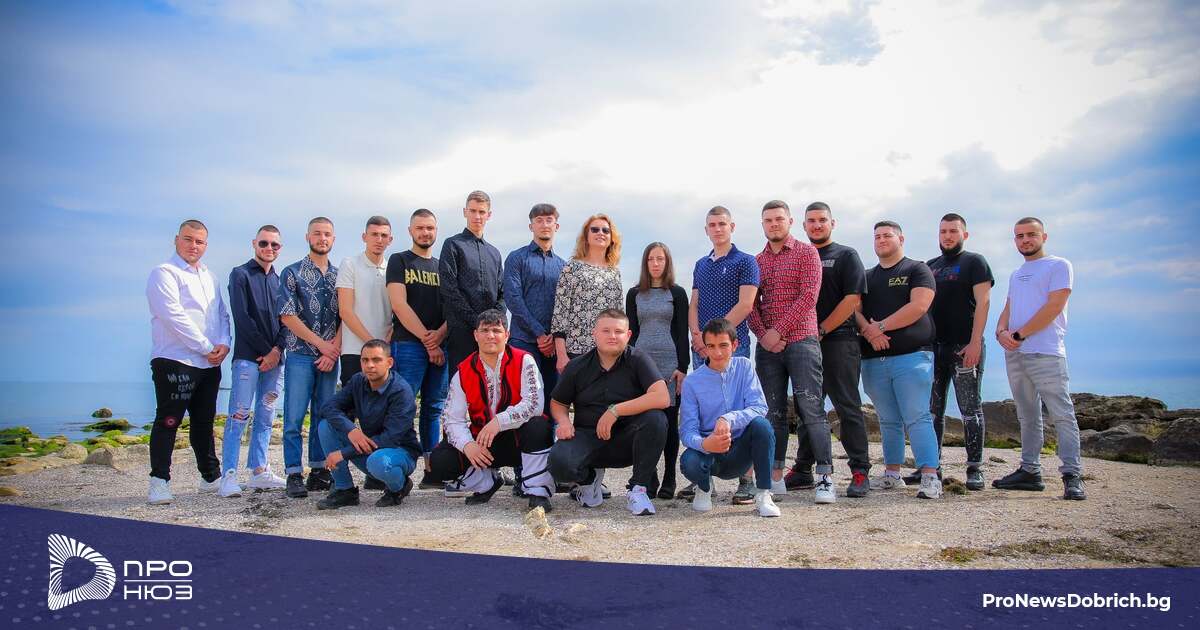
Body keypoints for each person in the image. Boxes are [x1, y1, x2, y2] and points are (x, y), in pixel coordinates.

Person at [747, 200, 835, 504]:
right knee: (772, 413)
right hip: (767, 348)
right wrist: (764, 335)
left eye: (779, 219)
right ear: (762, 224)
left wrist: (779, 331)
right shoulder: (756, 262)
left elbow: (809, 296)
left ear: (790, 221)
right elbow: (750, 305)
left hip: (802, 341)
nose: (774, 224)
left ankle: (825, 477)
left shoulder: (807, 253)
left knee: (811, 408)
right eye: (768, 220)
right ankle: (775, 477)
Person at [993, 217, 1085, 500]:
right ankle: (1030, 471)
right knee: (1027, 414)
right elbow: (1009, 306)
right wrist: (1001, 330)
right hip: (1015, 353)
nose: (1025, 240)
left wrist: (1019, 334)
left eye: (1031, 235)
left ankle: (1072, 475)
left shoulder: (1059, 266)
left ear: (1044, 236)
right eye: (1019, 236)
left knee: (1062, 414)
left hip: (1045, 352)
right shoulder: (1017, 273)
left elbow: (1054, 306)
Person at [428, 310, 556, 512]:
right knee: (440, 461)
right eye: (485, 330)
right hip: (484, 443)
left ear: (507, 335)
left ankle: (537, 491)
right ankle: (486, 482)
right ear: (475, 335)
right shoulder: (463, 371)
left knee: (538, 426)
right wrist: (468, 445)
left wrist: (499, 421)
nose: (490, 336)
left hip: (519, 439)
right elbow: (452, 419)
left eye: (496, 330)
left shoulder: (524, 360)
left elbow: (534, 404)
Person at [548, 309, 670, 516]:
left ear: (628, 335)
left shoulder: (639, 359)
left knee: (656, 419)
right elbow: (558, 402)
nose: (612, 336)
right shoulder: (577, 366)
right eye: (606, 331)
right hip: (588, 437)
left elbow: (662, 397)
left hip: (627, 441)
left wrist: (615, 411)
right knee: (559, 464)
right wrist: (564, 421)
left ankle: (638, 490)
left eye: (618, 331)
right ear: (594, 333)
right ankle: (588, 481)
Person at [787, 202, 872, 498]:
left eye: (822, 220)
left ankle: (860, 471)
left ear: (832, 223)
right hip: (804, 343)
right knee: (807, 407)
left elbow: (852, 300)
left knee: (847, 406)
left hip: (839, 341)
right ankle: (803, 469)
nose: (817, 225)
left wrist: (821, 329)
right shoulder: (798, 255)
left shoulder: (846, 255)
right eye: (811, 221)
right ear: (803, 225)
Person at [144, 219, 231, 505]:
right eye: (188, 239)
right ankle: (159, 481)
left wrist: (224, 344)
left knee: (204, 422)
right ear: (176, 239)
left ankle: (210, 476)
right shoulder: (164, 273)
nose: (194, 245)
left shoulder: (210, 276)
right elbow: (173, 316)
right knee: (169, 420)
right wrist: (205, 346)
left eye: (199, 241)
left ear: (206, 245)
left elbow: (221, 314)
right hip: (175, 359)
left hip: (209, 363)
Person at [855, 221, 942, 499]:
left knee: (917, 416)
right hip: (873, 359)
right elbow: (854, 309)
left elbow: (919, 306)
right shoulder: (866, 276)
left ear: (901, 239)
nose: (881, 240)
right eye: (877, 236)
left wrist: (880, 327)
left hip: (912, 357)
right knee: (887, 420)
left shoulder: (917, 269)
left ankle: (930, 476)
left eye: (887, 235)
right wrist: (869, 332)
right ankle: (892, 474)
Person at [686, 206, 760, 504]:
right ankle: (704, 479)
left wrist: (715, 339)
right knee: (705, 410)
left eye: (722, 224)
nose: (717, 229)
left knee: (739, 408)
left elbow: (746, 304)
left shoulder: (746, 261)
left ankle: (747, 480)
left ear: (732, 227)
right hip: (700, 347)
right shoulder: (701, 264)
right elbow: (694, 303)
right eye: (712, 225)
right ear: (706, 230)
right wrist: (697, 335)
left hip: (732, 345)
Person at [917, 212, 994, 490]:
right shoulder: (930, 266)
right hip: (934, 347)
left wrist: (975, 342)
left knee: (970, 409)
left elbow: (983, 302)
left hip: (964, 346)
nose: (947, 236)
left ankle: (974, 468)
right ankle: (932, 466)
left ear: (964, 234)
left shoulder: (975, 262)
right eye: (943, 232)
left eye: (953, 231)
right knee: (932, 411)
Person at [679, 319, 779, 517]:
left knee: (762, 426)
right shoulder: (691, 382)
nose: (717, 353)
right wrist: (706, 443)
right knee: (688, 460)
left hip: (740, 451)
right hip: (709, 453)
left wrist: (728, 418)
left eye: (723, 345)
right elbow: (687, 431)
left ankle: (763, 494)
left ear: (734, 345)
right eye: (711, 346)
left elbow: (759, 407)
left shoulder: (745, 367)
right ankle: (704, 488)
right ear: (705, 348)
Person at [218, 225, 288, 498]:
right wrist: (267, 352)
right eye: (264, 243)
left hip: (276, 361)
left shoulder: (280, 281)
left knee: (266, 415)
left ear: (280, 248)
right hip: (248, 359)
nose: (269, 248)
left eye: (274, 245)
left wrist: (277, 351)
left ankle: (259, 471)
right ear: (254, 244)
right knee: (239, 415)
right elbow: (242, 318)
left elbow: (286, 321)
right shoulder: (240, 275)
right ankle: (229, 476)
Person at [315, 340, 421, 510]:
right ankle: (345, 490)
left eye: (376, 360)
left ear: (389, 362)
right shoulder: (358, 381)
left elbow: (389, 439)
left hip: (400, 452)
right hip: (370, 450)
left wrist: (342, 453)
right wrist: (351, 430)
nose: (370, 365)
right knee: (326, 426)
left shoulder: (401, 391)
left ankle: (399, 487)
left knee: (379, 461)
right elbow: (328, 407)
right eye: (365, 360)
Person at [278, 217, 341, 498]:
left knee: (323, 415)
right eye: (317, 234)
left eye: (327, 234)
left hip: (331, 357)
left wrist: (333, 349)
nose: (322, 238)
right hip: (300, 355)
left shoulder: (340, 276)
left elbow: (345, 316)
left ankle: (318, 471)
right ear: (308, 237)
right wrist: (321, 345)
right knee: (294, 416)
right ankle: (293, 473)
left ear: (333, 239)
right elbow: (287, 316)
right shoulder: (292, 273)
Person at [386, 209, 449, 489]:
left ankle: (432, 471)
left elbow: (452, 307)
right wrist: (427, 340)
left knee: (434, 408)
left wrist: (439, 337)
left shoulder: (443, 266)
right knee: (403, 406)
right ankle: (394, 469)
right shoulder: (399, 260)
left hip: (441, 345)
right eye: (420, 228)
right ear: (410, 230)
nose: (425, 232)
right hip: (409, 344)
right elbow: (399, 305)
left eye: (430, 228)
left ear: (436, 231)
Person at [626, 242, 689, 499]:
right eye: (651, 259)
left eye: (660, 259)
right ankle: (648, 477)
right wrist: (629, 365)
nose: (655, 263)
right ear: (645, 263)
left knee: (670, 422)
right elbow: (631, 333)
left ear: (667, 262)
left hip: (669, 363)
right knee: (643, 419)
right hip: (642, 362)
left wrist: (682, 367)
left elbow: (682, 332)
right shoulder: (634, 294)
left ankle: (669, 478)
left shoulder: (677, 293)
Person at [503, 203, 566, 414]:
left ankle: (552, 437)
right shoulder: (517, 258)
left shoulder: (563, 266)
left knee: (553, 400)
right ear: (531, 226)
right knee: (523, 401)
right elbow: (513, 298)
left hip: (553, 345)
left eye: (549, 220)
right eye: (539, 220)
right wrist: (539, 333)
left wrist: (553, 337)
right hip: (523, 340)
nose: (544, 224)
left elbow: (565, 307)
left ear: (556, 226)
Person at [439, 190, 505, 378]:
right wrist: (476, 321)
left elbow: (502, 292)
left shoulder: (494, 253)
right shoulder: (452, 245)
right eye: (473, 211)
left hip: (490, 335)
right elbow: (449, 288)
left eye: (482, 212)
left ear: (489, 215)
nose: (477, 216)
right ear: (465, 212)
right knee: (461, 385)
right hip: (461, 332)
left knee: (492, 385)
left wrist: (494, 322)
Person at [550, 213, 624, 368]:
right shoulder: (572, 268)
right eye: (595, 229)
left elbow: (619, 315)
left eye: (605, 230)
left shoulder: (614, 273)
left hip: (607, 353)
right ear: (586, 236)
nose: (600, 233)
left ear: (612, 238)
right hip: (576, 352)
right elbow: (560, 314)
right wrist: (561, 355)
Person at [336, 216, 394, 385]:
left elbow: (397, 309)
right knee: (353, 400)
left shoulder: (392, 269)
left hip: (384, 352)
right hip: (355, 350)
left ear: (390, 240)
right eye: (374, 234)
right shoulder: (350, 264)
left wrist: (385, 344)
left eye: (384, 235)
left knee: (382, 400)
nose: (379, 239)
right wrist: (372, 345)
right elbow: (345, 311)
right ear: (364, 237)